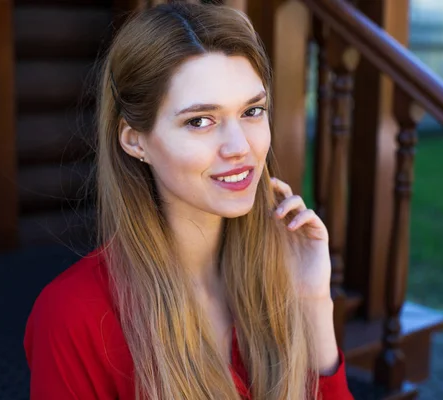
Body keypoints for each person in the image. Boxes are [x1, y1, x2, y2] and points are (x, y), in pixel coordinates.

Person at [24, 3, 354, 399]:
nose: (240, 147)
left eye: (252, 110)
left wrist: (312, 302)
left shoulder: (276, 271)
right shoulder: (73, 315)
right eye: (200, 120)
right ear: (135, 140)